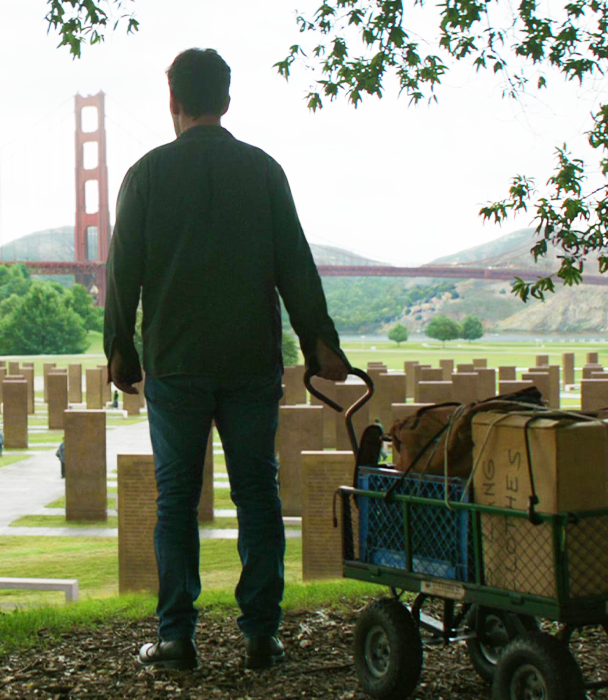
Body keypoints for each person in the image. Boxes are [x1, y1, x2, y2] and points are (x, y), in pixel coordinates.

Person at [104, 48, 350, 672]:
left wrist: (119, 348)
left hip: (175, 363)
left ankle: (175, 638)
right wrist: (321, 339)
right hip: (249, 360)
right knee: (258, 494)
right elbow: (296, 262)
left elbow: (121, 271)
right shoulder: (263, 170)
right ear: (228, 100)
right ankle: (261, 634)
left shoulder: (146, 174)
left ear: (173, 102)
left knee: (175, 500)